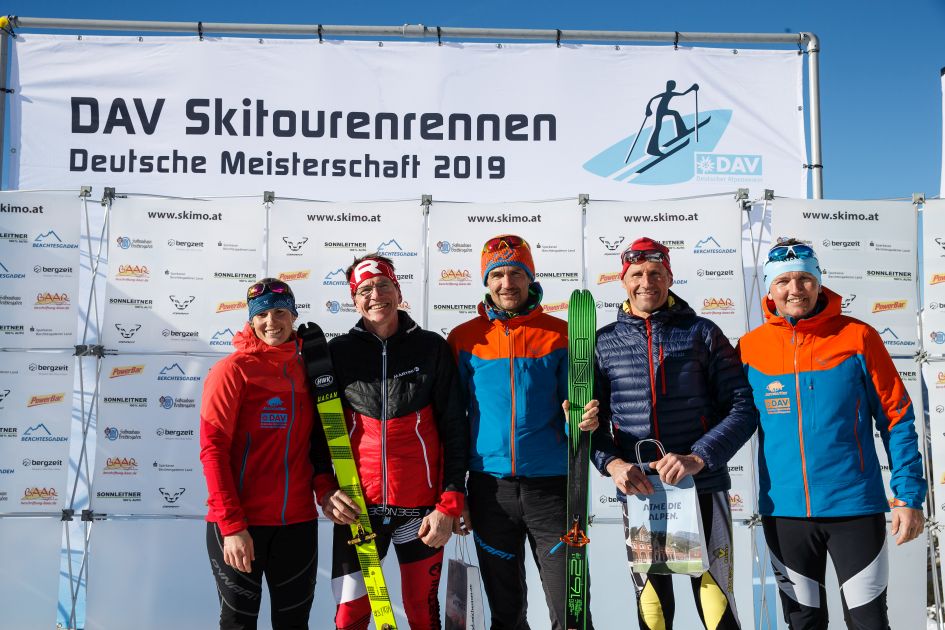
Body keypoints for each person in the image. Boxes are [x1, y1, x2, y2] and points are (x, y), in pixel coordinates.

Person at [738, 238, 926, 630]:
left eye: (804, 279)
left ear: (819, 283)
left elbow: (897, 418)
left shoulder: (858, 337)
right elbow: (728, 420)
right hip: (784, 512)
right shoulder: (750, 348)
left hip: (854, 508)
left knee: (868, 622)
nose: (795, 289)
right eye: (784, 281)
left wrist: (907, 495)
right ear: (770, 290)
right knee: (803, 623)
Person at [591, 237, 757, 630]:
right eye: (636, 274)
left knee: (714, 598)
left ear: (669, 277)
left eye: (655, 273)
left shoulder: (702, 332)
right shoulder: (603, 342)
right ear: (623, 281)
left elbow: (742, 408)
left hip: (700, 485)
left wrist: (698, 457)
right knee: (652, 606)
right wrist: (612, 464)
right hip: (639, 490)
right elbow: (587, 425)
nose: (646, 281)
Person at [447, 234, 599, 630]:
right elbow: (454, 422)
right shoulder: (464, 338)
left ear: (530, 278)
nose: (507, 283)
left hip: (552, 489)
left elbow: (578, 405)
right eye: (497, 274)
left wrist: (582, 420)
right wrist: (457, 492)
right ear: (486, 281)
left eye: (516, 272)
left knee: (571, 610)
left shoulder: (563, 333)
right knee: (506, 612)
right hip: (489, 492)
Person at [318, 254, 468, 630]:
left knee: (422, 611)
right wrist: (324, 488)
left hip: (421, 511)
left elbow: (454, 427)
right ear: (354, 299)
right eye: (365, 289)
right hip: (358, 508)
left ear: (398, 291)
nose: (376, 295)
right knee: (351, 615)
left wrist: (450, 501)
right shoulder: (339, 352)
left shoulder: (431, 347)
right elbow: (317, 431)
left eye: (383, 285)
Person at [200, 278, 329, 629]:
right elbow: (212, 451)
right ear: (251, 320)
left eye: (280, 312)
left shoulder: (311, 369)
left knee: (294, 623)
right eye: (263, 315)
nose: (272, 322)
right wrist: (232, 525)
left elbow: (319, 441)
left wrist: (325, 488)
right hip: (242, 524)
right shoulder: (232, 370)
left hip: (297, 522)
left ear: (293, 315)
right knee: (239, 622)